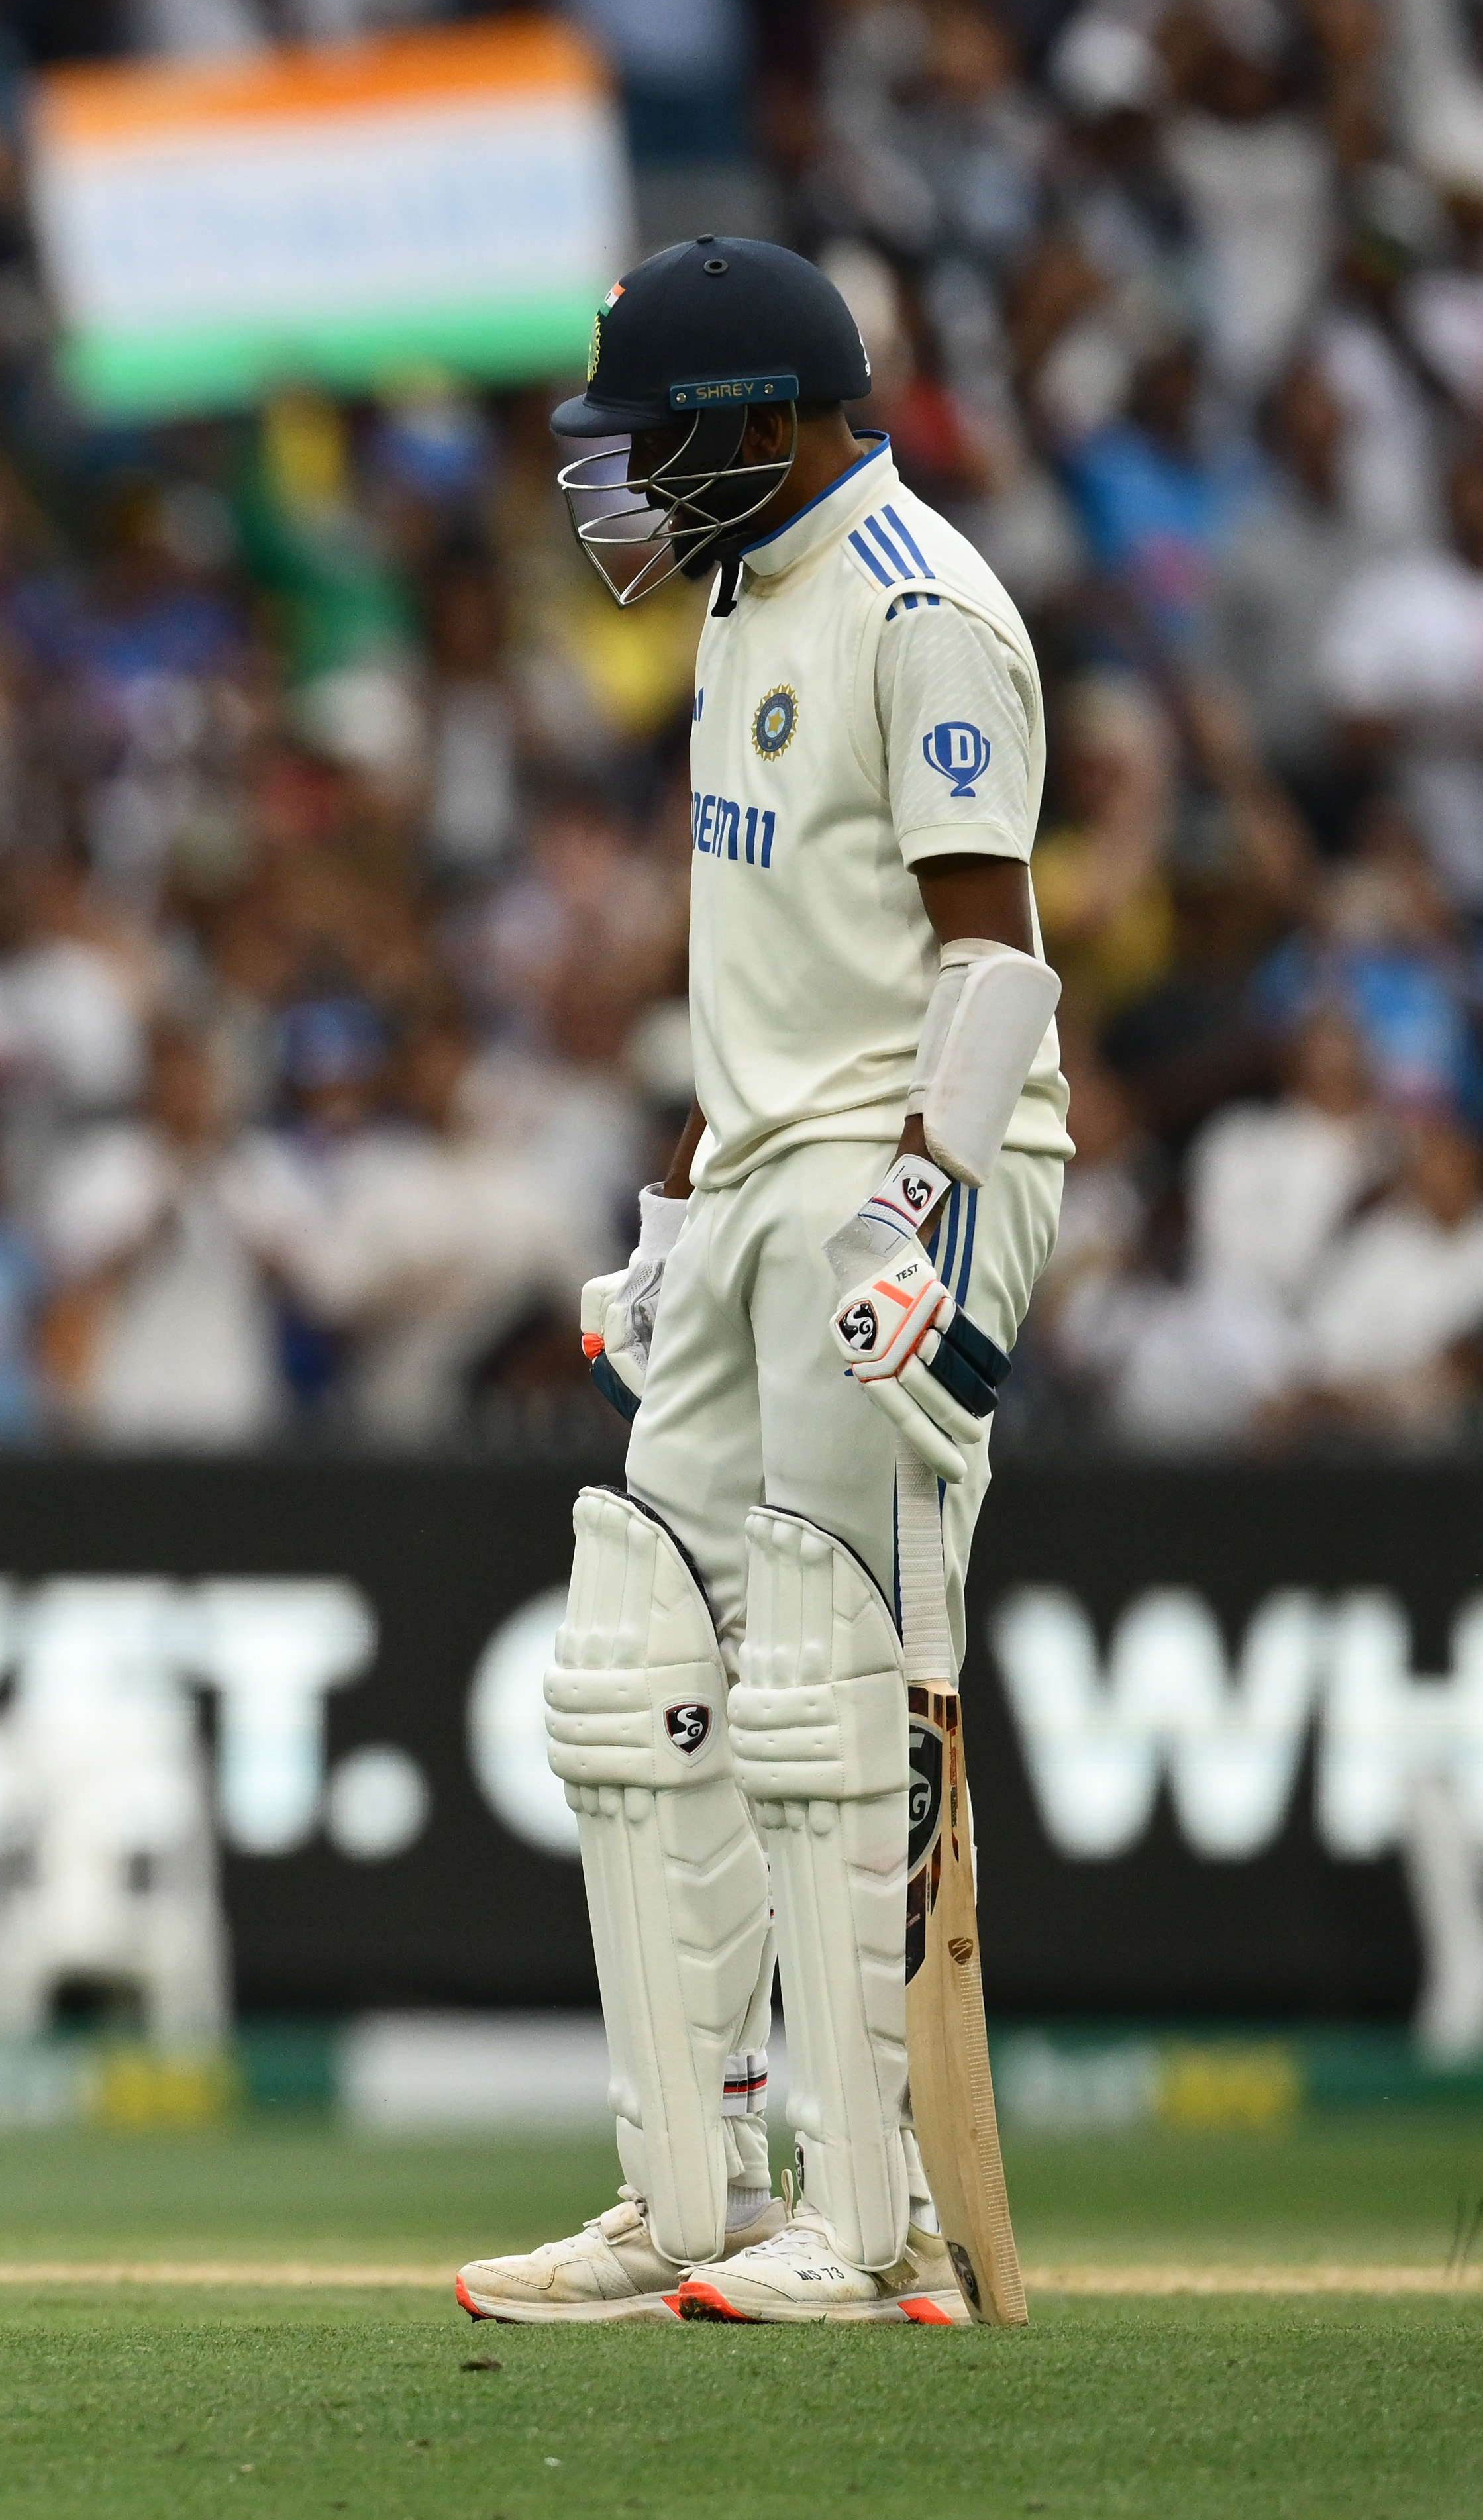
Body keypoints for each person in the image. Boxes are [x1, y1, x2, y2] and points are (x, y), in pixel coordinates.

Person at [462, 238, 1068, 2326]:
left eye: (658, 436)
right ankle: (689, 2194)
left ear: (765, 424)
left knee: (825, 1675)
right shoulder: (745, 591)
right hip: (758, 1171)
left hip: (912, 1167)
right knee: (642, 1671)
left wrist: (919, 1203)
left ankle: (873, 2205)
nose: (624, 479)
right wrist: (694, 1192)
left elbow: (988, 960)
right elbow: (779, 948)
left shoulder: (921, 609)